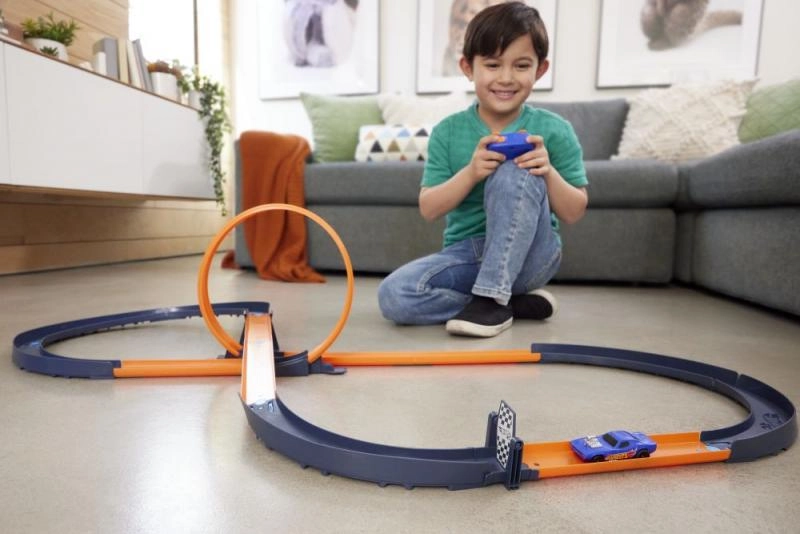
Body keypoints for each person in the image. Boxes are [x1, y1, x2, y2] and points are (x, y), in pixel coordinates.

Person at [377, 1, 588, 338]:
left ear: (540, 70)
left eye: (521, 65)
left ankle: (490, 300)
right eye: (492, 64)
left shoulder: (555, 130)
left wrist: (547, 171)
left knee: (516, 167)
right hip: (470, 254)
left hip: (533, 255)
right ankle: (509, 303)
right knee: (394, 295)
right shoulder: (447, 131)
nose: (506, 78)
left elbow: (574, 211)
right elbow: (429, 208)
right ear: (467, 67)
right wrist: (471, 173)